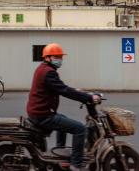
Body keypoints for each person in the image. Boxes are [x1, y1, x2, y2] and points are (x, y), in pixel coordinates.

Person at [26, 43, 101, 171]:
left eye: (60, 57)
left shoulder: (43, 69)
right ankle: (76, 165)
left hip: (38, 112)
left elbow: (60, 87)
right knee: (80, 129)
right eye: (56, 57)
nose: (59, 59)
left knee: (63, 121)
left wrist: (81, 92)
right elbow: (64, 90)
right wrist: (88, 98)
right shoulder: (48, 72)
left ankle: (60, 155)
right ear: (47, 57)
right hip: (43, 115)